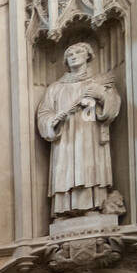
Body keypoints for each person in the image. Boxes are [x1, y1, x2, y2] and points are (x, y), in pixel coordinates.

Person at [36, 41, 121, 218]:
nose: (73, 56)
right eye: (69, 54)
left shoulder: (97, 82)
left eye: (78, 52)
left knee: (88, 166)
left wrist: (100, 95)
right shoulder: (56, 88)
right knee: (65, 169)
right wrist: (53, 120)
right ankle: (65, 209)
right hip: (65, 137)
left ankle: (94, 205)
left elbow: (112, 107)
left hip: (89, 134)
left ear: (88, 56)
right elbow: (43, 113)